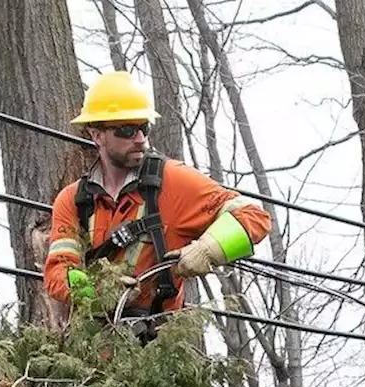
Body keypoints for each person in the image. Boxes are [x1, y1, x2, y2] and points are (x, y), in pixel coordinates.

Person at [43, 71, 272, 334]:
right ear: (97, 135)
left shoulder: (172, 181)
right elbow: (59, 271)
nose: (140, 138)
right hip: (98, 348)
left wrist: (207, 250)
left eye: (144, 128)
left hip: (160, 347)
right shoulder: (73, 201)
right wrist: (97, 292)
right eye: (127, 130)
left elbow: (254, 217)